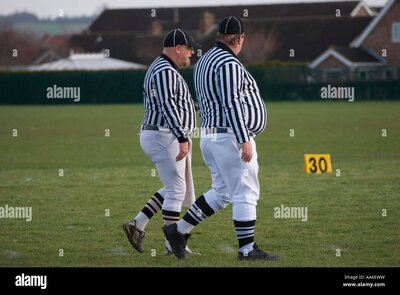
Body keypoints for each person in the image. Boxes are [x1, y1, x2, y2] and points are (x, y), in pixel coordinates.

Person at [162, 16, 280, 261]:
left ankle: (178, 231)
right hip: (229, 136)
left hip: (211, 135)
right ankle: (247, 250)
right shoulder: (227, 63)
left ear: (218, 36)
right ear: (239, 39)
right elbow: (231, 102)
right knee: (245, 191)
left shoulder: (205, 60)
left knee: (222, 192)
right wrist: (243, 137)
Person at [123, 29, 201, 256]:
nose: (192, 53)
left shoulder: (164, 68)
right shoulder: (164, 70)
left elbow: (176, 103)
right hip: (163, 135)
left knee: (174, 187)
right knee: (177, 189)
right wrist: (182, 136)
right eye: (189, 48)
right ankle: (173, 246)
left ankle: (136, 226)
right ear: (178, 48)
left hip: (164, 134)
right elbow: (168, 107)